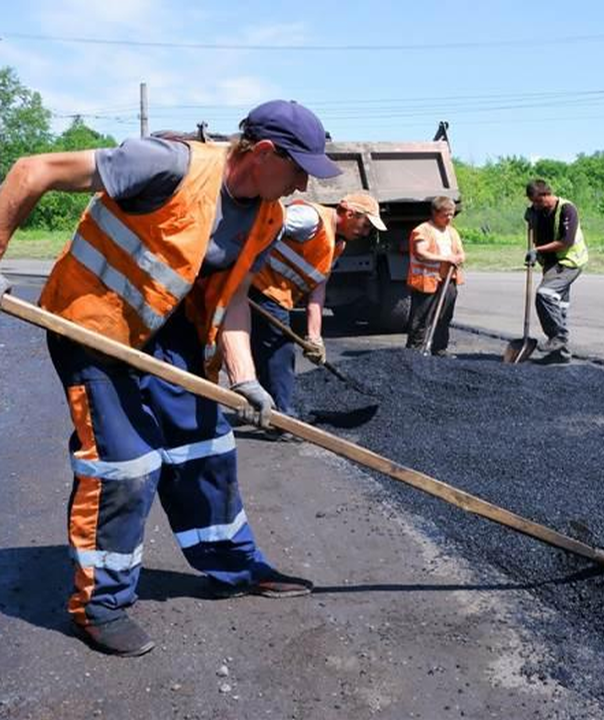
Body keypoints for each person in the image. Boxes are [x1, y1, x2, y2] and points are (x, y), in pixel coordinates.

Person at [0, 99, 342, 657]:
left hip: (165, 331)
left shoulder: (268, 214)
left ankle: (234, 566)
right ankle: (100, 605)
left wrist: (245, 377)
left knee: (208, 447)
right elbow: (30, 171)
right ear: (261, 153)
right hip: (93, 325)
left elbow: (231, 300)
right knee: (126, 465)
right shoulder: (166, 164)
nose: (304, 181)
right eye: (298, 166)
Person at [250, 191, 385, 419]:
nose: (365, 233)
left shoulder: (337, 243)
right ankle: (283, 417)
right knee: (280, 350)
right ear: (350, 213)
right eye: (365, 225)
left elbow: (317, 290)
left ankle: (262, 407)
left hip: (276, 296)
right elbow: (262, 227)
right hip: (257, 286)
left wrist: (315, 337)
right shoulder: (309, 219)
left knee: (264, 350)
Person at [523, 179, 588, 365]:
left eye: (536, 201)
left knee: (545, 295)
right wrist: (531, 218)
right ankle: (561, 355)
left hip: (570, 261)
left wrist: (538, 251)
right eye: (532, 202)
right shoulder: (538, 210)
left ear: (546, 195)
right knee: (559, 307)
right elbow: (538, 230)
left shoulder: (567, 209)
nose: (534, 205)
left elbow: (566, 241)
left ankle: (558, 337)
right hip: (552, 263)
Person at [405, 196, 466, 357]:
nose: (449, 218)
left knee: (444, 317)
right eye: (445, 215)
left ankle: (439, 349)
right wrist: (447, 259)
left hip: (448, 280)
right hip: (428, 280)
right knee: (421, 318)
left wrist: (459, 258)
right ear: (435, 213)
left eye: (451, 214)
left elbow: (460, 252)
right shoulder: (422, 230)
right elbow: (420, 252)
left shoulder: (452, 231)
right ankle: (414, 351)